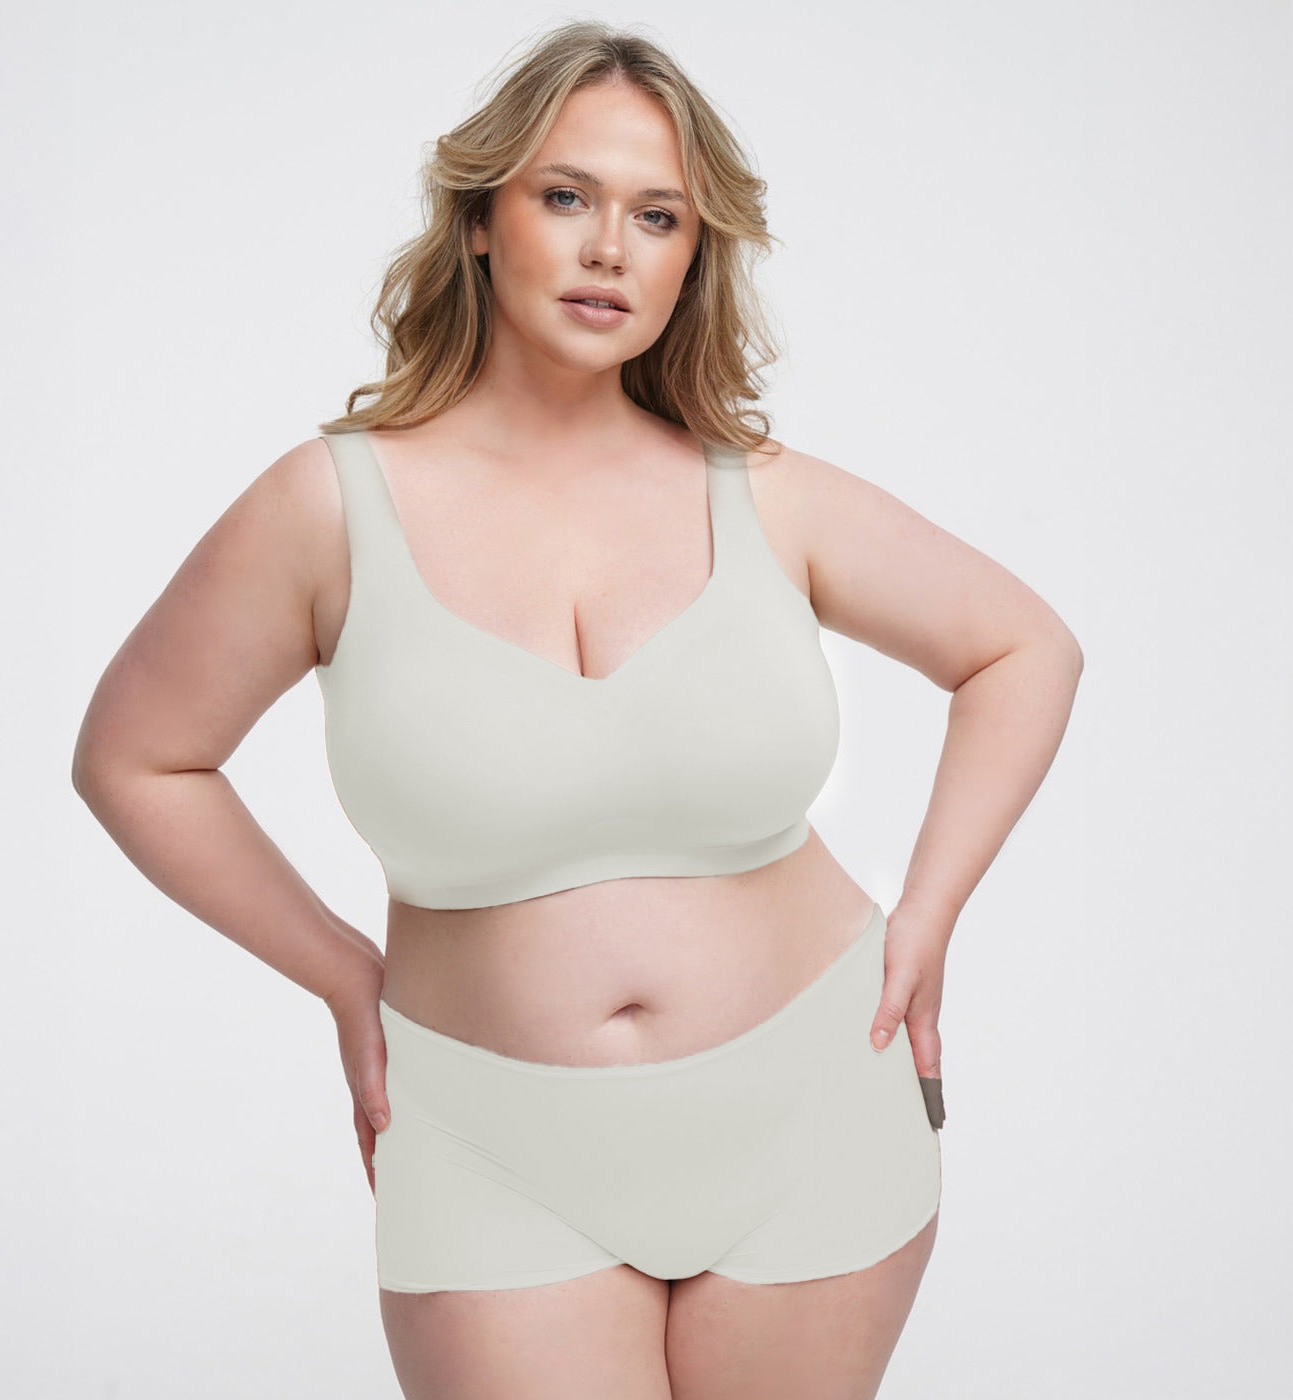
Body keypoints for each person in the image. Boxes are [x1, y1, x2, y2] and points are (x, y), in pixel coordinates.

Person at [72, 19, 1083, 1400]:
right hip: (491, 1147)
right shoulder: (328, 508)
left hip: (814, 1108)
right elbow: (139, 758)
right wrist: (341, 973)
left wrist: (930, 917)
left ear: (692, 258)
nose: (611, 248)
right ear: (481, 222)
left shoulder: (763, 492)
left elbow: (1023, 648)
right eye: (567, 197)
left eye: (658, 217)